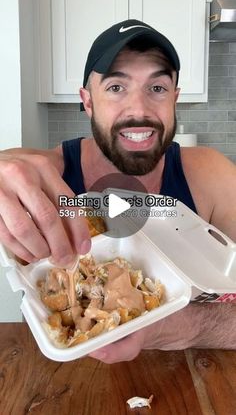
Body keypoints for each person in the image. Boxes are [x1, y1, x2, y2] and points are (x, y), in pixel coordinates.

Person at [0, 19, 236, 363]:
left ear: (175, 99)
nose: (139, 110)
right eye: (115, 87)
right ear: (87, 101)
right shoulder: (49, 175)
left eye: (157, 88)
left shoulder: (211, 174)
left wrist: (179, 326)